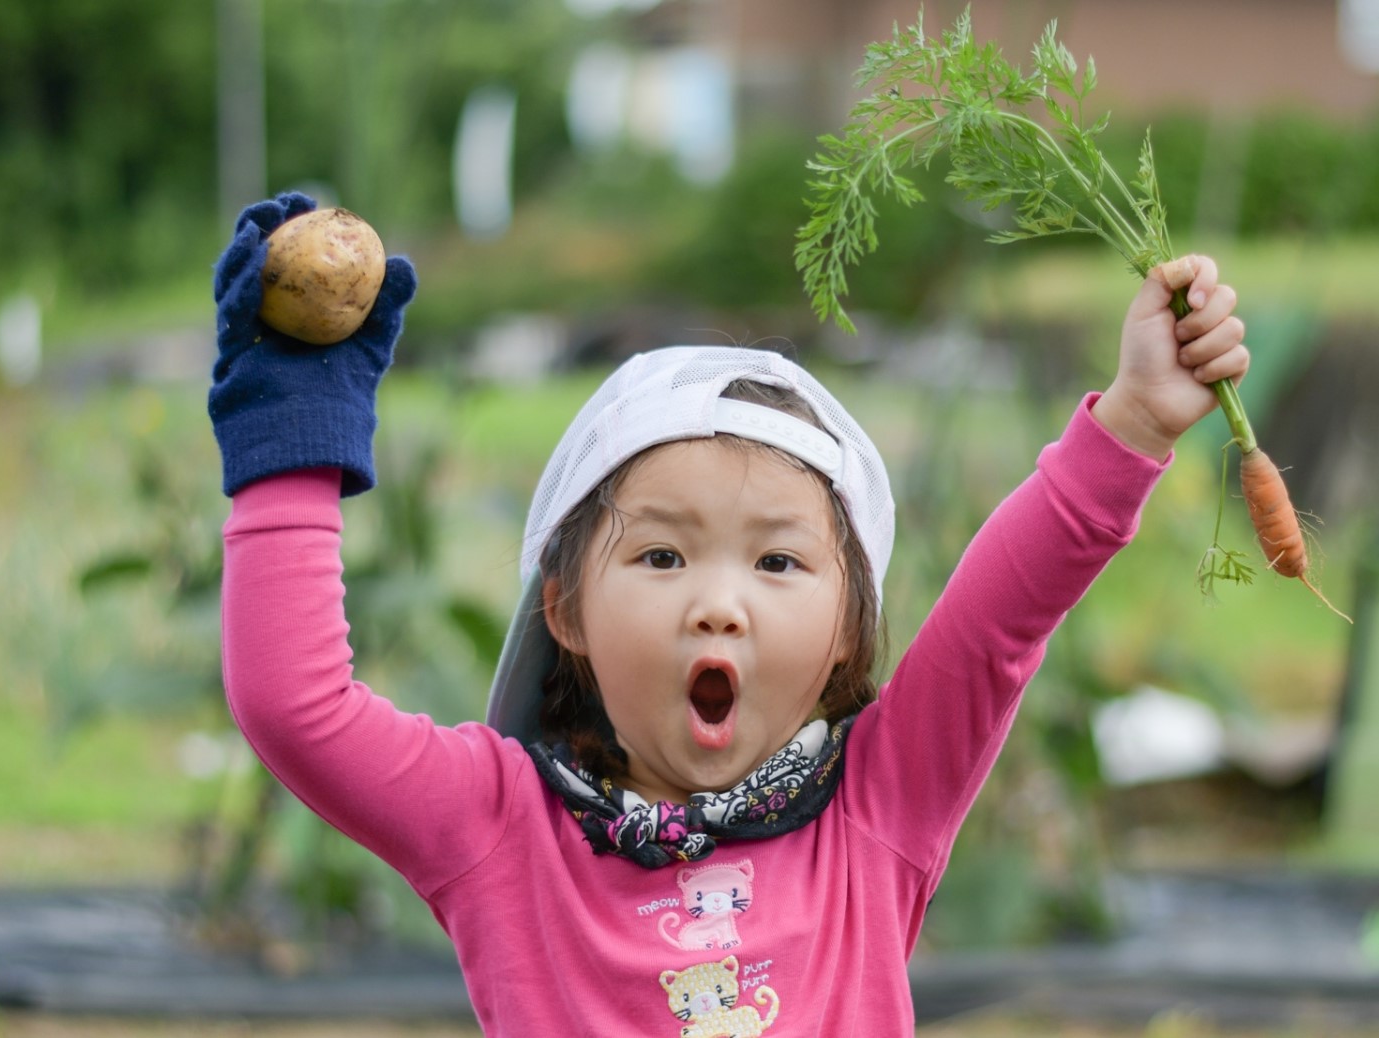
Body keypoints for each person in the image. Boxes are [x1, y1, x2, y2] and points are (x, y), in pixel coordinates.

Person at [209, 192, 1249, 1034]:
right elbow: (298, 708)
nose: (718, 605)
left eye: (778, 562)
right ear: (562, 607)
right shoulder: (502, 827)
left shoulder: (876, 806)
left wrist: (1133, 422)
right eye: (661, 554)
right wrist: (294, 429)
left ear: (848, 624)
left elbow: (996, 625)